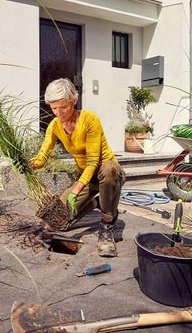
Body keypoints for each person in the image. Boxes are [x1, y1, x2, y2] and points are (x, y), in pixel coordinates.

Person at [30, 78, 125, 257]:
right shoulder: (55, 125)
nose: (59, 113)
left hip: (108, 174)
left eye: (63, 107)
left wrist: (76, 192)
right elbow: (43, 157)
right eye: (54, 108)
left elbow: (92, 162)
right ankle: (98, 202)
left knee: (108, 169)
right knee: (58, 222)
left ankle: (107, 226)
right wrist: (30, 164)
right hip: (86, 178)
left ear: (74, 101)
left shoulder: (90, 119)